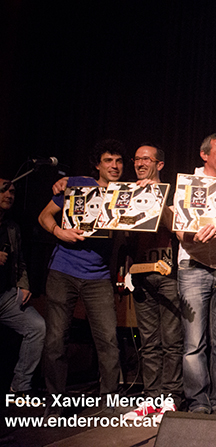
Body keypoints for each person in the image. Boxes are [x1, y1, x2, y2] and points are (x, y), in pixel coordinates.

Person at [38, 139, 125, 418]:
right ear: (97, 165)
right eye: (108, 160)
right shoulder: (77, 184)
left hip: (99, 276)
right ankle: (55, 402)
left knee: (108, 340)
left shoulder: (125, 194)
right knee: (55, 340)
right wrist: (59, 232)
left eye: (119, 161)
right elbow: (44, 216)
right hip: (63, 271)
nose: (114, 166)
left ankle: (109, 401)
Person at [176, 133, 216, 415]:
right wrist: (193, 235)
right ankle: (198, 401)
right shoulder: (189, 184)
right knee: (194, 343)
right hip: (193, 268)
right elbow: (179, 230)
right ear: (204, 155)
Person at [122, 144, 183, 422]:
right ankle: (151, 398)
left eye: (146, 159)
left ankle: (171, 398)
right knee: (148, 342)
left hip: (168, 273)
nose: (140, 163)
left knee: (172, 341)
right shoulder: (127, 193)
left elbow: (176, 228)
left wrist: (156, 197)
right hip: (140, 273)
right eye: (136, 159)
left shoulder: (173, 192)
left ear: (159, 164)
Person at [0, 178, 46, 396]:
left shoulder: (11, 227)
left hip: (5, 296)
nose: (9, 195)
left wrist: (23, 284)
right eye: (4, 191)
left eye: (12, 192)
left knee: (37, 327)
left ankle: (20, 387)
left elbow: (20, 261)